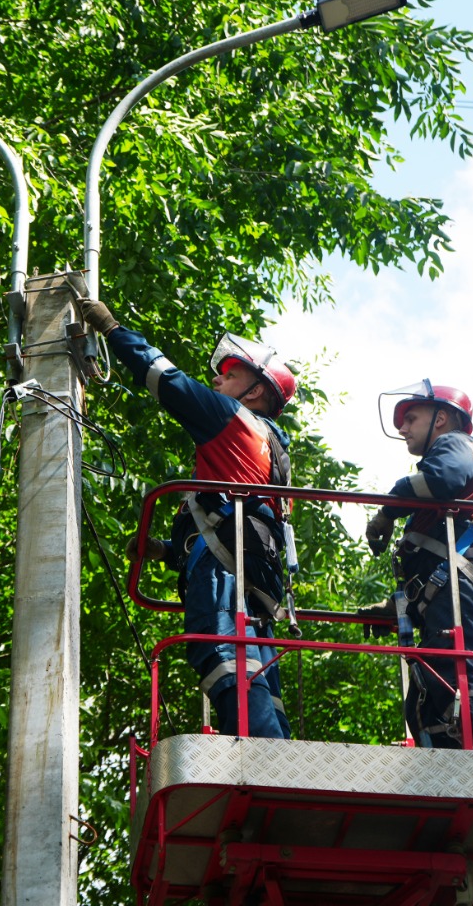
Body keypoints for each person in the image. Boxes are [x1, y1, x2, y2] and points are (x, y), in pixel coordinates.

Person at [78, 297, 295, 739]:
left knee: (222, 652)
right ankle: (278, 757)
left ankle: (262, 757)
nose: (217, 379)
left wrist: (112, 327)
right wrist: (166, 551)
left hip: (227, 567)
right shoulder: (268, 448)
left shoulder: (233, 419)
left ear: (254, 391)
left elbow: (164, 377)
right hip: (252, 571)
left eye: (229, 374)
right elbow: (233, 514)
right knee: (256, 667)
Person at [362, 380, 473, 751]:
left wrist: (388, 510)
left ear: (441, 418)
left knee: (456, 666)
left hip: (461, 574)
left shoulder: (456, 445)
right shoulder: (448, 460)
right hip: (449, 579)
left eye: (411, 418)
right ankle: (443, 749)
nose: (402, 428)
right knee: (431, 679)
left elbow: (443, 479)